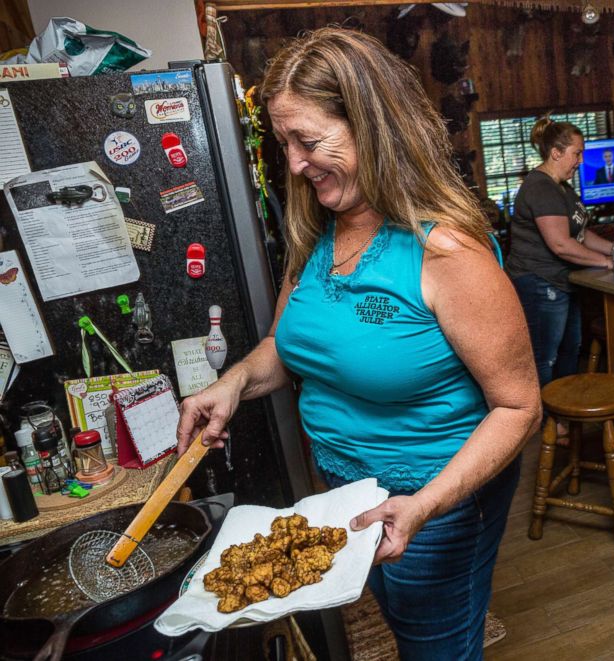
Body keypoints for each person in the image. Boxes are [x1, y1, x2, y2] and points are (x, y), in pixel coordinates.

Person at [176, 28, 541, 660]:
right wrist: (231, 383)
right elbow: (288, 347)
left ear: (372, 127)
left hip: (437, 497)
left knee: (436, 645)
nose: (292, 163)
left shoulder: (446, 252)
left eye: (309, 141)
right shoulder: (316, 233)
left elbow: (520, 407)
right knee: (401, 621)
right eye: (283, 142)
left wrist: (422, 506)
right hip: (345, 495)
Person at [505, 115, 614, 391]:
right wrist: (606, 262)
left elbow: (580, 234)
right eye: (577, 153)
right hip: (539, 282)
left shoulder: (561, 188)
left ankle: (564, 419)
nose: (581, 161)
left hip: (562, 282)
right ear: (556, 152)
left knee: (570, 350)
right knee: (546, 357)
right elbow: (561, 244)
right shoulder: (540, 187)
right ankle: (544, 424)